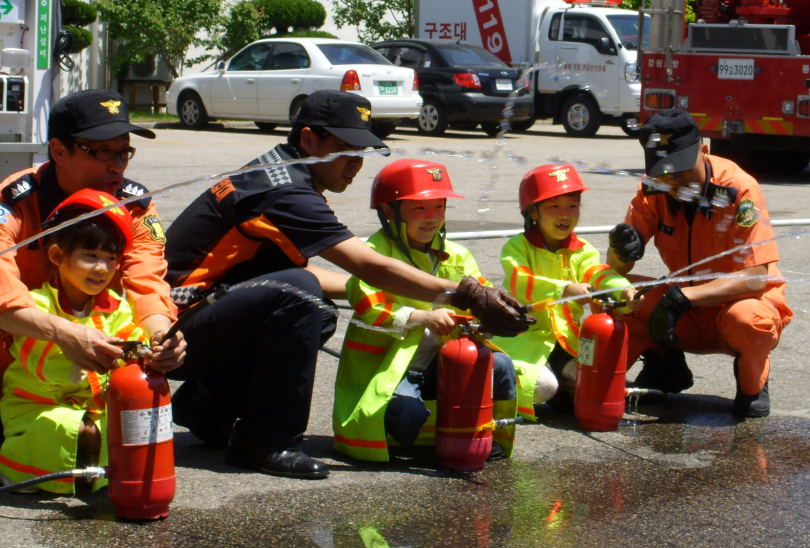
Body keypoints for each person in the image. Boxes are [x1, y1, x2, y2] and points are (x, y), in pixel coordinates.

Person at [165, 90, 530, 479]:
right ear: (308, 139)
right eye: (344, 149)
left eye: (362, 153)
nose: (355, 164)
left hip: (199, 319)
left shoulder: (281, 173)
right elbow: (368, 265)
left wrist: (378, 292)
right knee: (303, 298)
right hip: (171, 333)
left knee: (308, 300)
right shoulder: (284, 190)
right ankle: (264, 442)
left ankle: (207, 408)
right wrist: (466, 293)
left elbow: (314, 277)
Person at [0, 90, 186, 427]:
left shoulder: (135, 206)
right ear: (59, 150)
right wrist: (62, 332)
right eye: (103, 152)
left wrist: (162, 335)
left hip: (101, 346)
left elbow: (146, 282)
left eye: (124, 152)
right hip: (21, 349)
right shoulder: (15, 200)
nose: (117, 166)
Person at [606, 109, 793, 418]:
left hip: (733, 309)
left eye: (680, 170)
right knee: (618, 296)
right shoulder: (654, 188)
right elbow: (614, 272)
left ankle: (752, 381)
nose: (673, 182)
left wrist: (681, 298)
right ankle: (665, 365)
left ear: (704, 150)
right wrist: (620, 250)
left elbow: (756, 278)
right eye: (663, 172)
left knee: (749, 319)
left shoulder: (739, 190)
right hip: (684, 314)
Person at [334, 159, 518, 461]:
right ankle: (418, 434)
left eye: (439, 207)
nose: (431, 218)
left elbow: (482, 296)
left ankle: (485, 435)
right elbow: (369, 305)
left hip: (442, 363)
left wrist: (497, 313)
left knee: (501, 366)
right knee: (406, 415)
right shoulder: (373, 254)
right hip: (391, 368)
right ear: (388, 211)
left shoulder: (458, 255)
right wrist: (423, 317)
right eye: (419, 208)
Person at [0, 190, 145, 494]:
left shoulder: (116, 306)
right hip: (38, 404)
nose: (102, 268)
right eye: (90, 256)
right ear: (57, 256)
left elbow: (132, 337)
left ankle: (84, 476)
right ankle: (22, 471)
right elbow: (38, 364)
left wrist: (142, 349)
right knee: (72, 428)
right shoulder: (37, 306)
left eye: (110, 258)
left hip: (95, 406)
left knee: (123, 427)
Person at [492, 164, 637, 421]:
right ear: (533, 212)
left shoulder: (582, 250)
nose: (565, 215)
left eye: (572, 206)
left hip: (567, 340)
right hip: (525, 339)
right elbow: (520, 282)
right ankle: (523, 385)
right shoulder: (517, 246)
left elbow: (599, 273)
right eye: (554, 206)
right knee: (544, 387)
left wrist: (624, 291)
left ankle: (561, 386)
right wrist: (565, 289)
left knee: (596, 381)